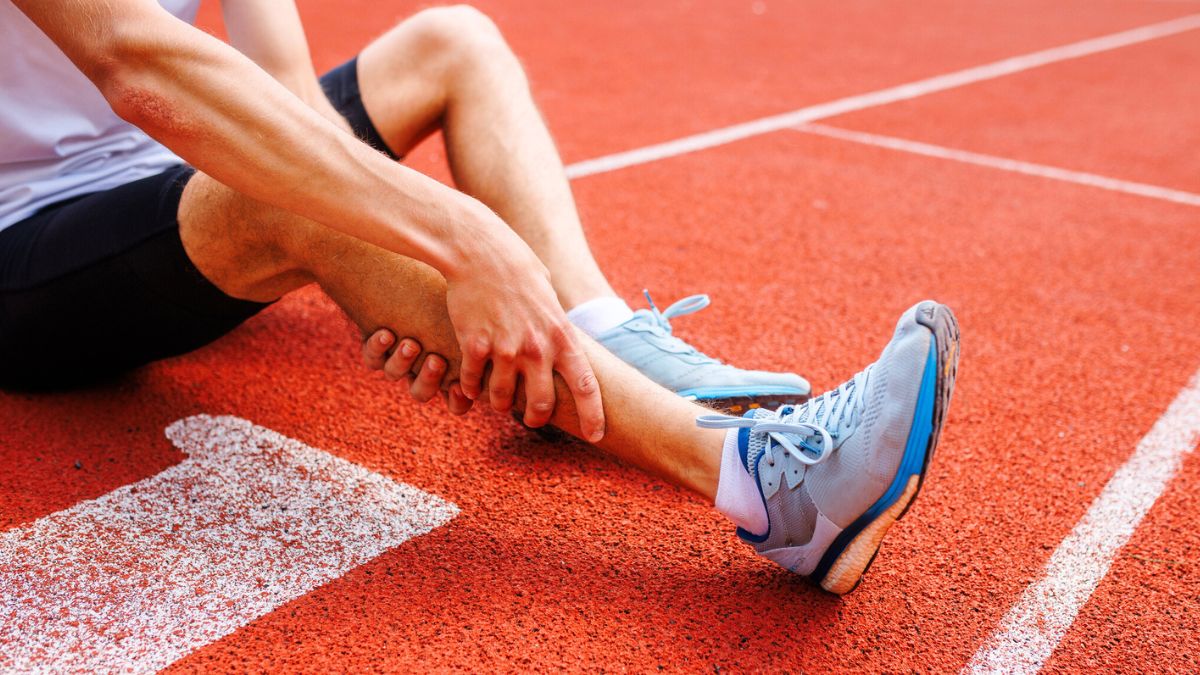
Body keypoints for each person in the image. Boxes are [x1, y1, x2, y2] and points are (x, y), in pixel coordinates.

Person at [0, 0, 960, 593]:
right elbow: (135, 63)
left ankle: (596, 333)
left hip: (168, 189)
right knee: (278, 194)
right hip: (26, 250)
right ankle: (768, 487)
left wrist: (368, 275)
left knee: (455, 41)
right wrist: (460, 240)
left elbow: (291, 105)